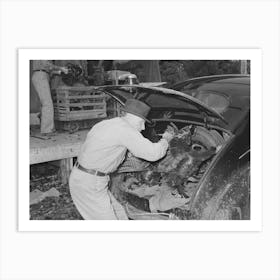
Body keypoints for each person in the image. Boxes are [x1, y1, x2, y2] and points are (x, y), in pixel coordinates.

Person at [69, 99, 175, 220]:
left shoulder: (108, 124)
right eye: (141, 122)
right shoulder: (126, 130)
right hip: (90, 183)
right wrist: (166, 139)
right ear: (134, 118)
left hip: (85, 177)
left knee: (120, 215)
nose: (143, 127)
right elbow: (153, 154)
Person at [31, 60, 68, 135]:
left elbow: (47, 69)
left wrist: (59, 72)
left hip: (42, 75)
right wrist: (61, 68)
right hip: (41, 75)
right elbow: (46, 64)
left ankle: (45, 128)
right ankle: (47, 130)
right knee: (47, 104)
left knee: (44, 103)